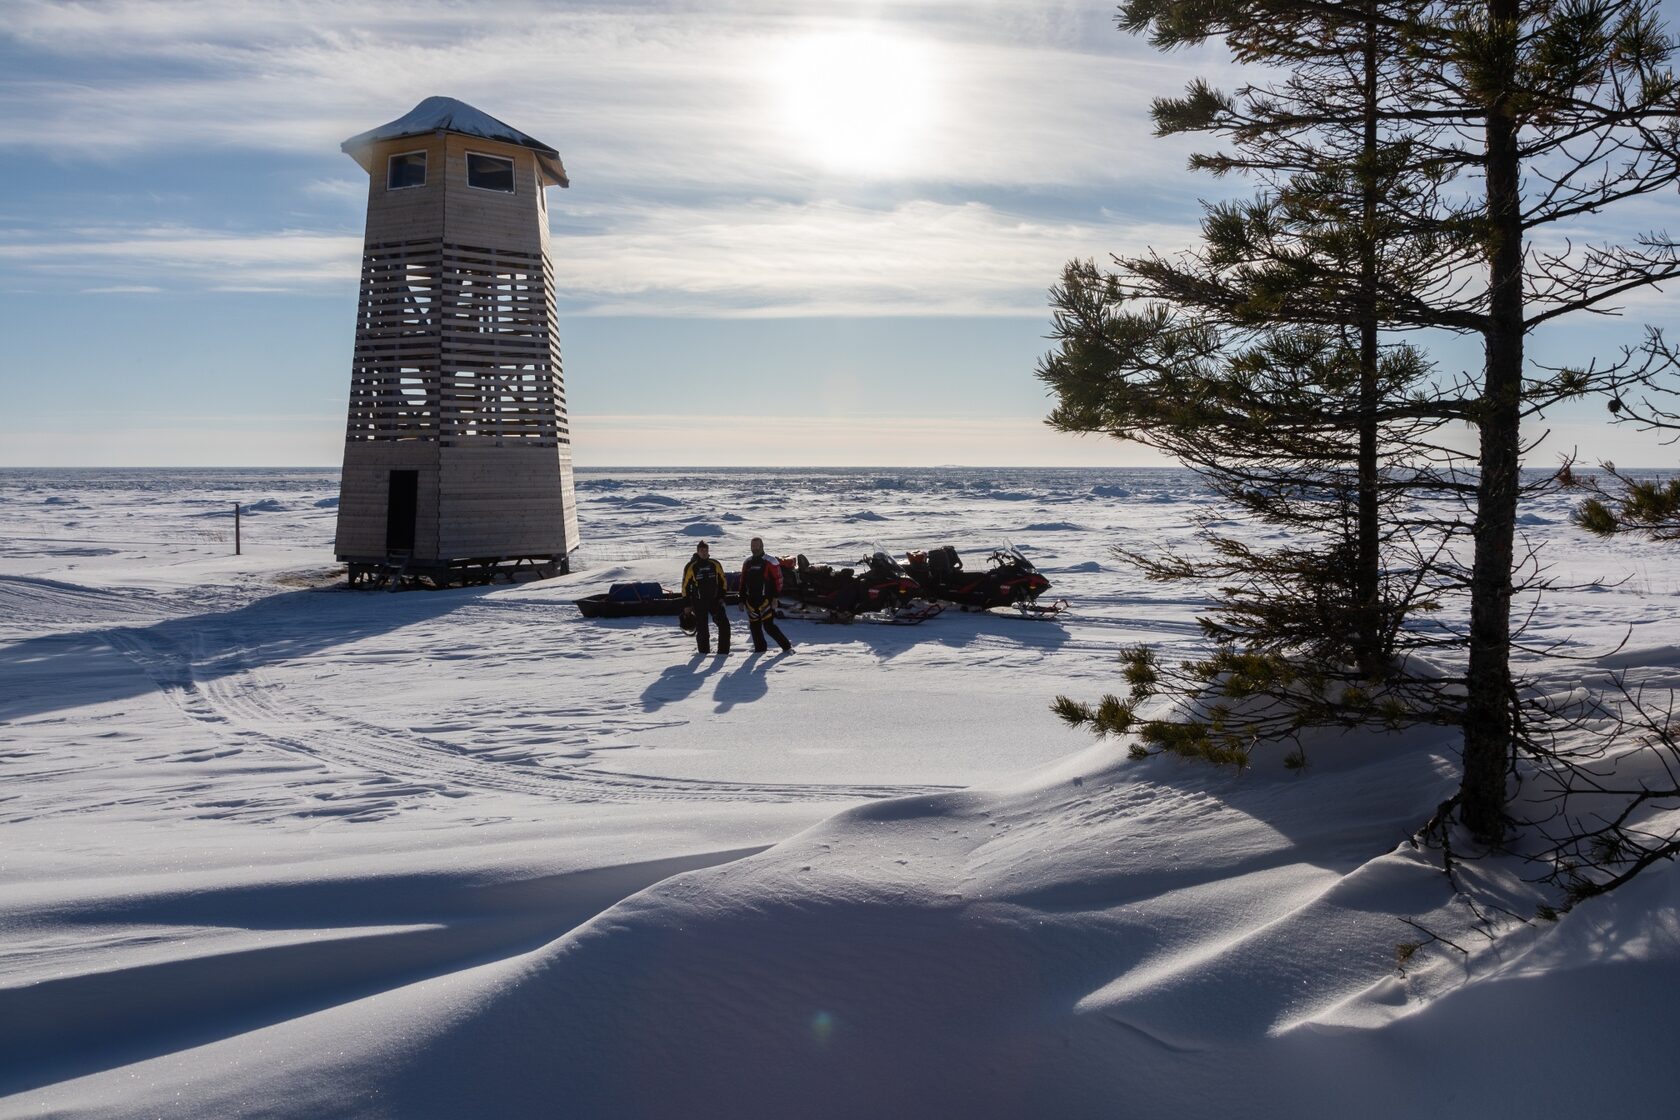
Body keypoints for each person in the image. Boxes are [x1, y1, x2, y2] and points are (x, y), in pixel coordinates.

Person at [739, 537, 793, 654]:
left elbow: (778, 580)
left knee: (769, 626)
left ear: (762, 546)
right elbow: (742, 581)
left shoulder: (770, 561)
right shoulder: (747, 562)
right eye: (752, 546)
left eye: (757, 545)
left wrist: (775, 598)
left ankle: (787, 647)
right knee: (754, 626)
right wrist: (741, 600)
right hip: (751, 600)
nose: (754, 548)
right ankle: (760, 650)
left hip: (766, 600)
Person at [681, 541, 730, 655]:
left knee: (724, 625)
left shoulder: (715, 564)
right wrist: (687, 605)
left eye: (705, 550)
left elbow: (723, 581)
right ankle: (703, 654)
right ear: (697, 551)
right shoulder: (691, 566)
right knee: (702, 630)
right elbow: (685, 587)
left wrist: (722, 597)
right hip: (699, 602)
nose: (703, 552)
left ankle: (723, 652)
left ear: (708, 551)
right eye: (701, 550)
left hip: (714, 600)